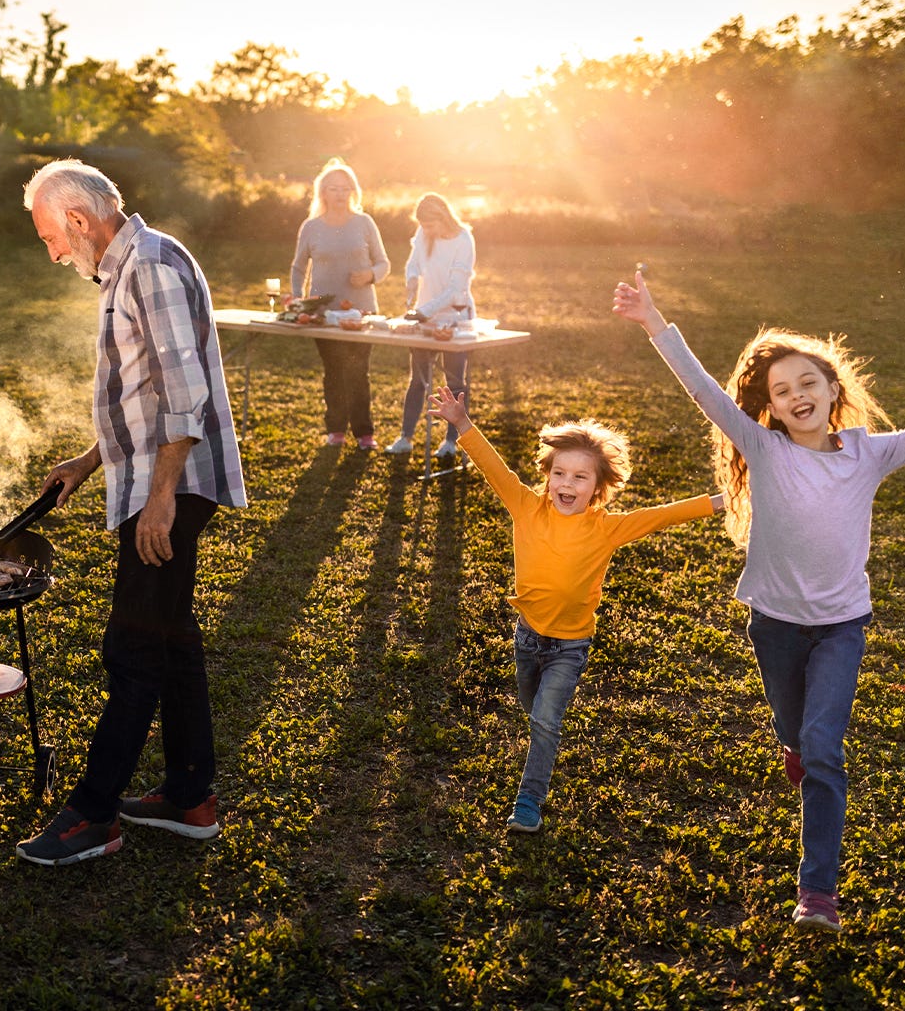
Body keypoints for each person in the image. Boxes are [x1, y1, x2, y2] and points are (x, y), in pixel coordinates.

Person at [612, 268, 905, 934]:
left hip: (840, 628)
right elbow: (701, 390)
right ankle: (795, 745)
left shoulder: (870, 454)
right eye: (782, 391)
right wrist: (653, 320)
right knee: (794, 732)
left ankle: (818, 894)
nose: (797, 394)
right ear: (770, 409)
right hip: (774, 626)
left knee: (824, 748)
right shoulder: (764, 448)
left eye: (809, 382)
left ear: (834, 390)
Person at [14, 159, 248, 865]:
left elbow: (186, 396)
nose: (53, 252)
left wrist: (161, 496)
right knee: (171, 640)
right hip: (153, 477)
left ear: (80, 221)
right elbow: (142, 389)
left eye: (52, 237)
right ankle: (189, 796)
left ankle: (94, 815)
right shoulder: (128, 267)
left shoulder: (148, 265)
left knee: (133, 648)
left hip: (169, 486)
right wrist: (88, 462)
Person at [428, 388, 722, 836]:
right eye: (560, 474)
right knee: (533, 709)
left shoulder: (607, 528)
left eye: (580, 478)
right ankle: (540, 742)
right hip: (527, 638)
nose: (567, 484)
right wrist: (462, 423)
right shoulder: (525, 507)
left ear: (598, 489)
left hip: (570, 645)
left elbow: (665, 515)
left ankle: (529, 800)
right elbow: (493, 468)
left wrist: (726, 500)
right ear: (547, 477)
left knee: (546, 719)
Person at [288, 158, 390, 449]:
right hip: (323, 313)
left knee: (358, 371)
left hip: (361, 313)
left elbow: (384, 263)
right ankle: (336, 430)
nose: (340, 193)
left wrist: (370, 275)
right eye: (334, 188)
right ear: (323, 192)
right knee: (333, 371)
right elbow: (298, 268)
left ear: (353, 191)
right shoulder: (311, 227)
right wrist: (298, 301)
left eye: (346, 188)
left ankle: (364, 433)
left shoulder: (364, 223)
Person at [389, 193, 477, 461]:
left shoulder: (464, 240)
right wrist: (412, 279)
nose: (427, 231)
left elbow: (455, 289)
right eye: (423, 226)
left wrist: (422, 312)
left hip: (455, 318)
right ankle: (405, 437)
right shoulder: (424, 231)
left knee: (454, 382)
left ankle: (452, 441)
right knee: (418, 379)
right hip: (424, 316)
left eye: (430, 226)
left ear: (443, 217)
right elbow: (413, 262)